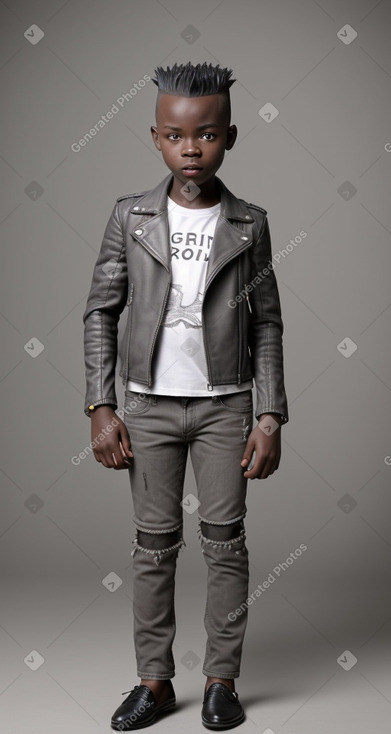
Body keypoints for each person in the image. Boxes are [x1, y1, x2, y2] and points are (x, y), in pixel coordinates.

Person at [83, 61, 289, 731]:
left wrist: (267, 413)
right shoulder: (129, 217)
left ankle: (221, 682)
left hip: (227, 406)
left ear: (228, 135)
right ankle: (154, 682)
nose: (190, 149)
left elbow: (265, 324)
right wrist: (101, 405)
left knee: (225, 544)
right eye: (175, 136)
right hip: (145, 405)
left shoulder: (250, 224)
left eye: (204, 135)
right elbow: (100, 312)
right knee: (153, 547)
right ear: (155, 138)